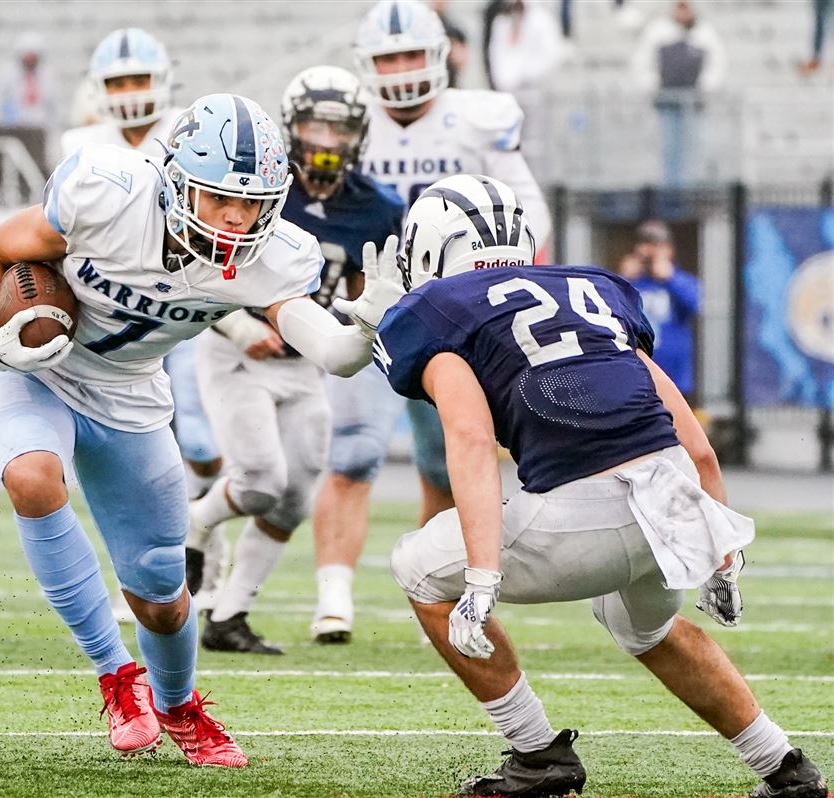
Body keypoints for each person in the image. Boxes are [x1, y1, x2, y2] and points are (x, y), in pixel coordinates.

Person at [345, 172, 827, 798]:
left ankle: (537, 754)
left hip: (582, 515)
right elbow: (695, 443)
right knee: (646, 628)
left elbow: (467, 440)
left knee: (416, 568)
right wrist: (720, 554)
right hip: (672, 505)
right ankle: (786, 770)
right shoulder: (594, 290)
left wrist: (481, 577)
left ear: (429, 250)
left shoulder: (437, 312)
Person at [0, 93, 378, 766]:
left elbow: (329, 351)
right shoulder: (107, 192)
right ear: (177, 178)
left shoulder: (271, 256)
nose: (238, 217)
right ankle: (116, 678)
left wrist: (364, 332)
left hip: (130, 395)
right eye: (220, 198)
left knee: (160, 591)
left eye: (254, 203)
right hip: (35, 371)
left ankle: (179, 705)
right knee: (32, 477)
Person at [308, 0, 552, 646]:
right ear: (366, 64)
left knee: (444, 466)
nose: (401, 70)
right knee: (353, 451)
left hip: (454, 321)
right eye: (388, 58)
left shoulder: (476, 119)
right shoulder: (347, 120)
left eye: (411, 54)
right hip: (373, 307)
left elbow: (529, 214)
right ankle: (334, 597)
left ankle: (436, 591)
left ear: (441, 55)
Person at [186, 66, 404, 655]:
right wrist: (234, 324)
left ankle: (229, 616)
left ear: (358, 134)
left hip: (305, 360)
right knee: (261, 479)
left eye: (339, 130)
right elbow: (198, 261)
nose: (327, 142)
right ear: (292, 127)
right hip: (238, 350)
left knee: (296, 492)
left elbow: (368, 288)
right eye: (315, 126)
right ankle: (197, 524)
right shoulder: (260, 188)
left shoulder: (378, 208)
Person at [61, 28, 229, 622]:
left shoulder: (191, 129)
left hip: (182, 306)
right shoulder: (80, 143)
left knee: (203, 444)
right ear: (99, 90)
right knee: (121, 461)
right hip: (113, 309)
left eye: (139, 79)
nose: (131, 93)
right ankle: (154, 567)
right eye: (118, 82)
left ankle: (207, 538)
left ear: (164, 81)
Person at [630, 1, 726, 187]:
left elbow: (717, 65)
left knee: (692, 148)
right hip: (667, 102)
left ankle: (690, 191)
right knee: (668, 148)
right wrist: (654, 84)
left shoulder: (705, 33)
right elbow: (641, 61)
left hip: (693, 104)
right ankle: (670, 191)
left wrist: (704, 87)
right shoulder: (658, 31)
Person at [482, 0, 563, 180]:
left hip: (535, 97)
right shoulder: (502, 22)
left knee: (535, 149)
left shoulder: (542, 20)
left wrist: (523, 76)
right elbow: (496, 55)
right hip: (508, 97)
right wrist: (505, 83)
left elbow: (551, 56)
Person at [620, 219, 701, 398]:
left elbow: (695, 304)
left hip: (675, 377)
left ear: (669, 250)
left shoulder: (680, 280)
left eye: (656, 245)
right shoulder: (629, 283)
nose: (650, 251)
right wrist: (623, 280)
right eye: (645, 244)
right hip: (637, 375)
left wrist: (670, 278)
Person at [0, 31, 59, 131]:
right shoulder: (8, 74)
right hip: (16, 126)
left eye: (33, 57)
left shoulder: (47, 75)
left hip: (40, 125)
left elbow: (54, 104)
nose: (30, 60)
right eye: (27, 56)